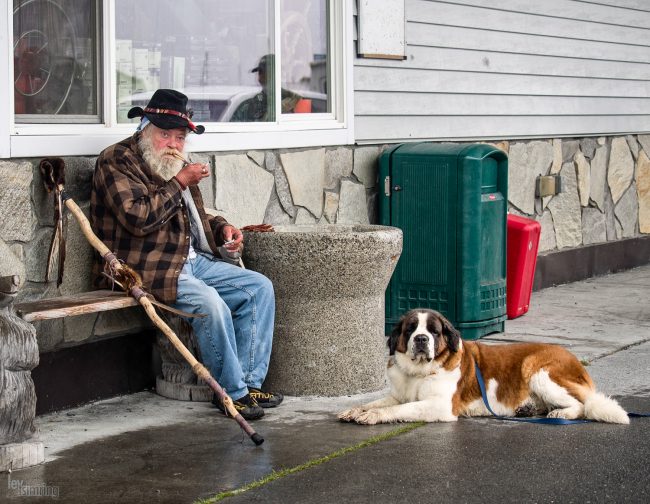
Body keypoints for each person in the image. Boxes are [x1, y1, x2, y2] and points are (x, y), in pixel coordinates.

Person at [90, 88, 281, 420]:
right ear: (145, 127)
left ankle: (249, 385)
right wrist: (178, 182)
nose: (174, 144)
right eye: (166, 134)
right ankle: (230, 394)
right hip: (144, 265)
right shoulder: (116, 160)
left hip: (186, 258)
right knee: (211, 305)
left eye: (180, 137)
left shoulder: (172, 163)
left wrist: (221, 228)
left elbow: (191, 215)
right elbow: (138, 218)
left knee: (258, 288)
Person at [231, 54, 301, 122]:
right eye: (260, 73)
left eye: (266, 72)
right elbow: (232, 130)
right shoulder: (249, 106)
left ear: (276, 74)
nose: (260, 77)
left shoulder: (295, 100)